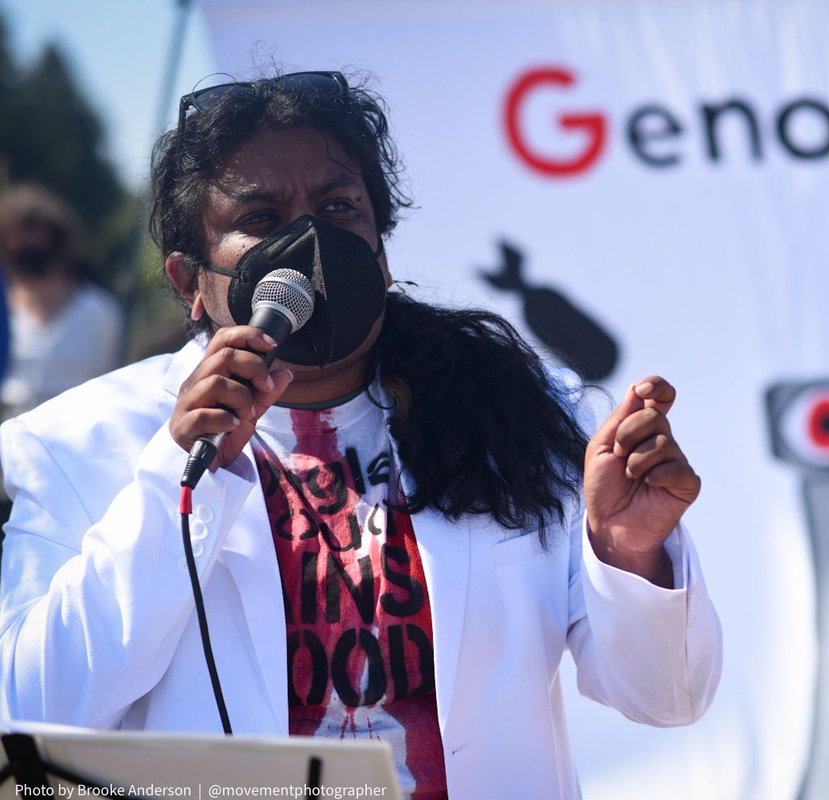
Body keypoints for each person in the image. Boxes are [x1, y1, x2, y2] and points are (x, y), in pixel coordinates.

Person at [0, 70, 722, 799]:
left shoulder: (522, 412)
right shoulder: (76, 447)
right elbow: (31, 715)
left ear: (380, 246)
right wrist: (175, 482)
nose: (309, 241)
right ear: (192, 280)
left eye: (339, 207)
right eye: (263, 216)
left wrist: (629, 553)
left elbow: (670, 696)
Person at [0, 184, 122, 422]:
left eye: (34, 231)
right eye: (15, 235)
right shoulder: (4, 310)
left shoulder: (101, 314)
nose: (25, 243)